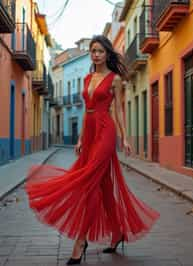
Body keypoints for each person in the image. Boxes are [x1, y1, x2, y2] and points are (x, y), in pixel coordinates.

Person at [25, 35, 160, 265]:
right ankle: (117, 233)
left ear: (107, 53)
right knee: (104, 186)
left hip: (105, 132)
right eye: (92, 51)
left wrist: (124, 138)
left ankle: (80, 240)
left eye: (100, 51)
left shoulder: (115, 79)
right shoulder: (87, 79)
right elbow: (87, 111)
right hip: (88, 133)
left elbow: (117, 110)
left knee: (88, 183)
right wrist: (79, 138)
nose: (96, 54)